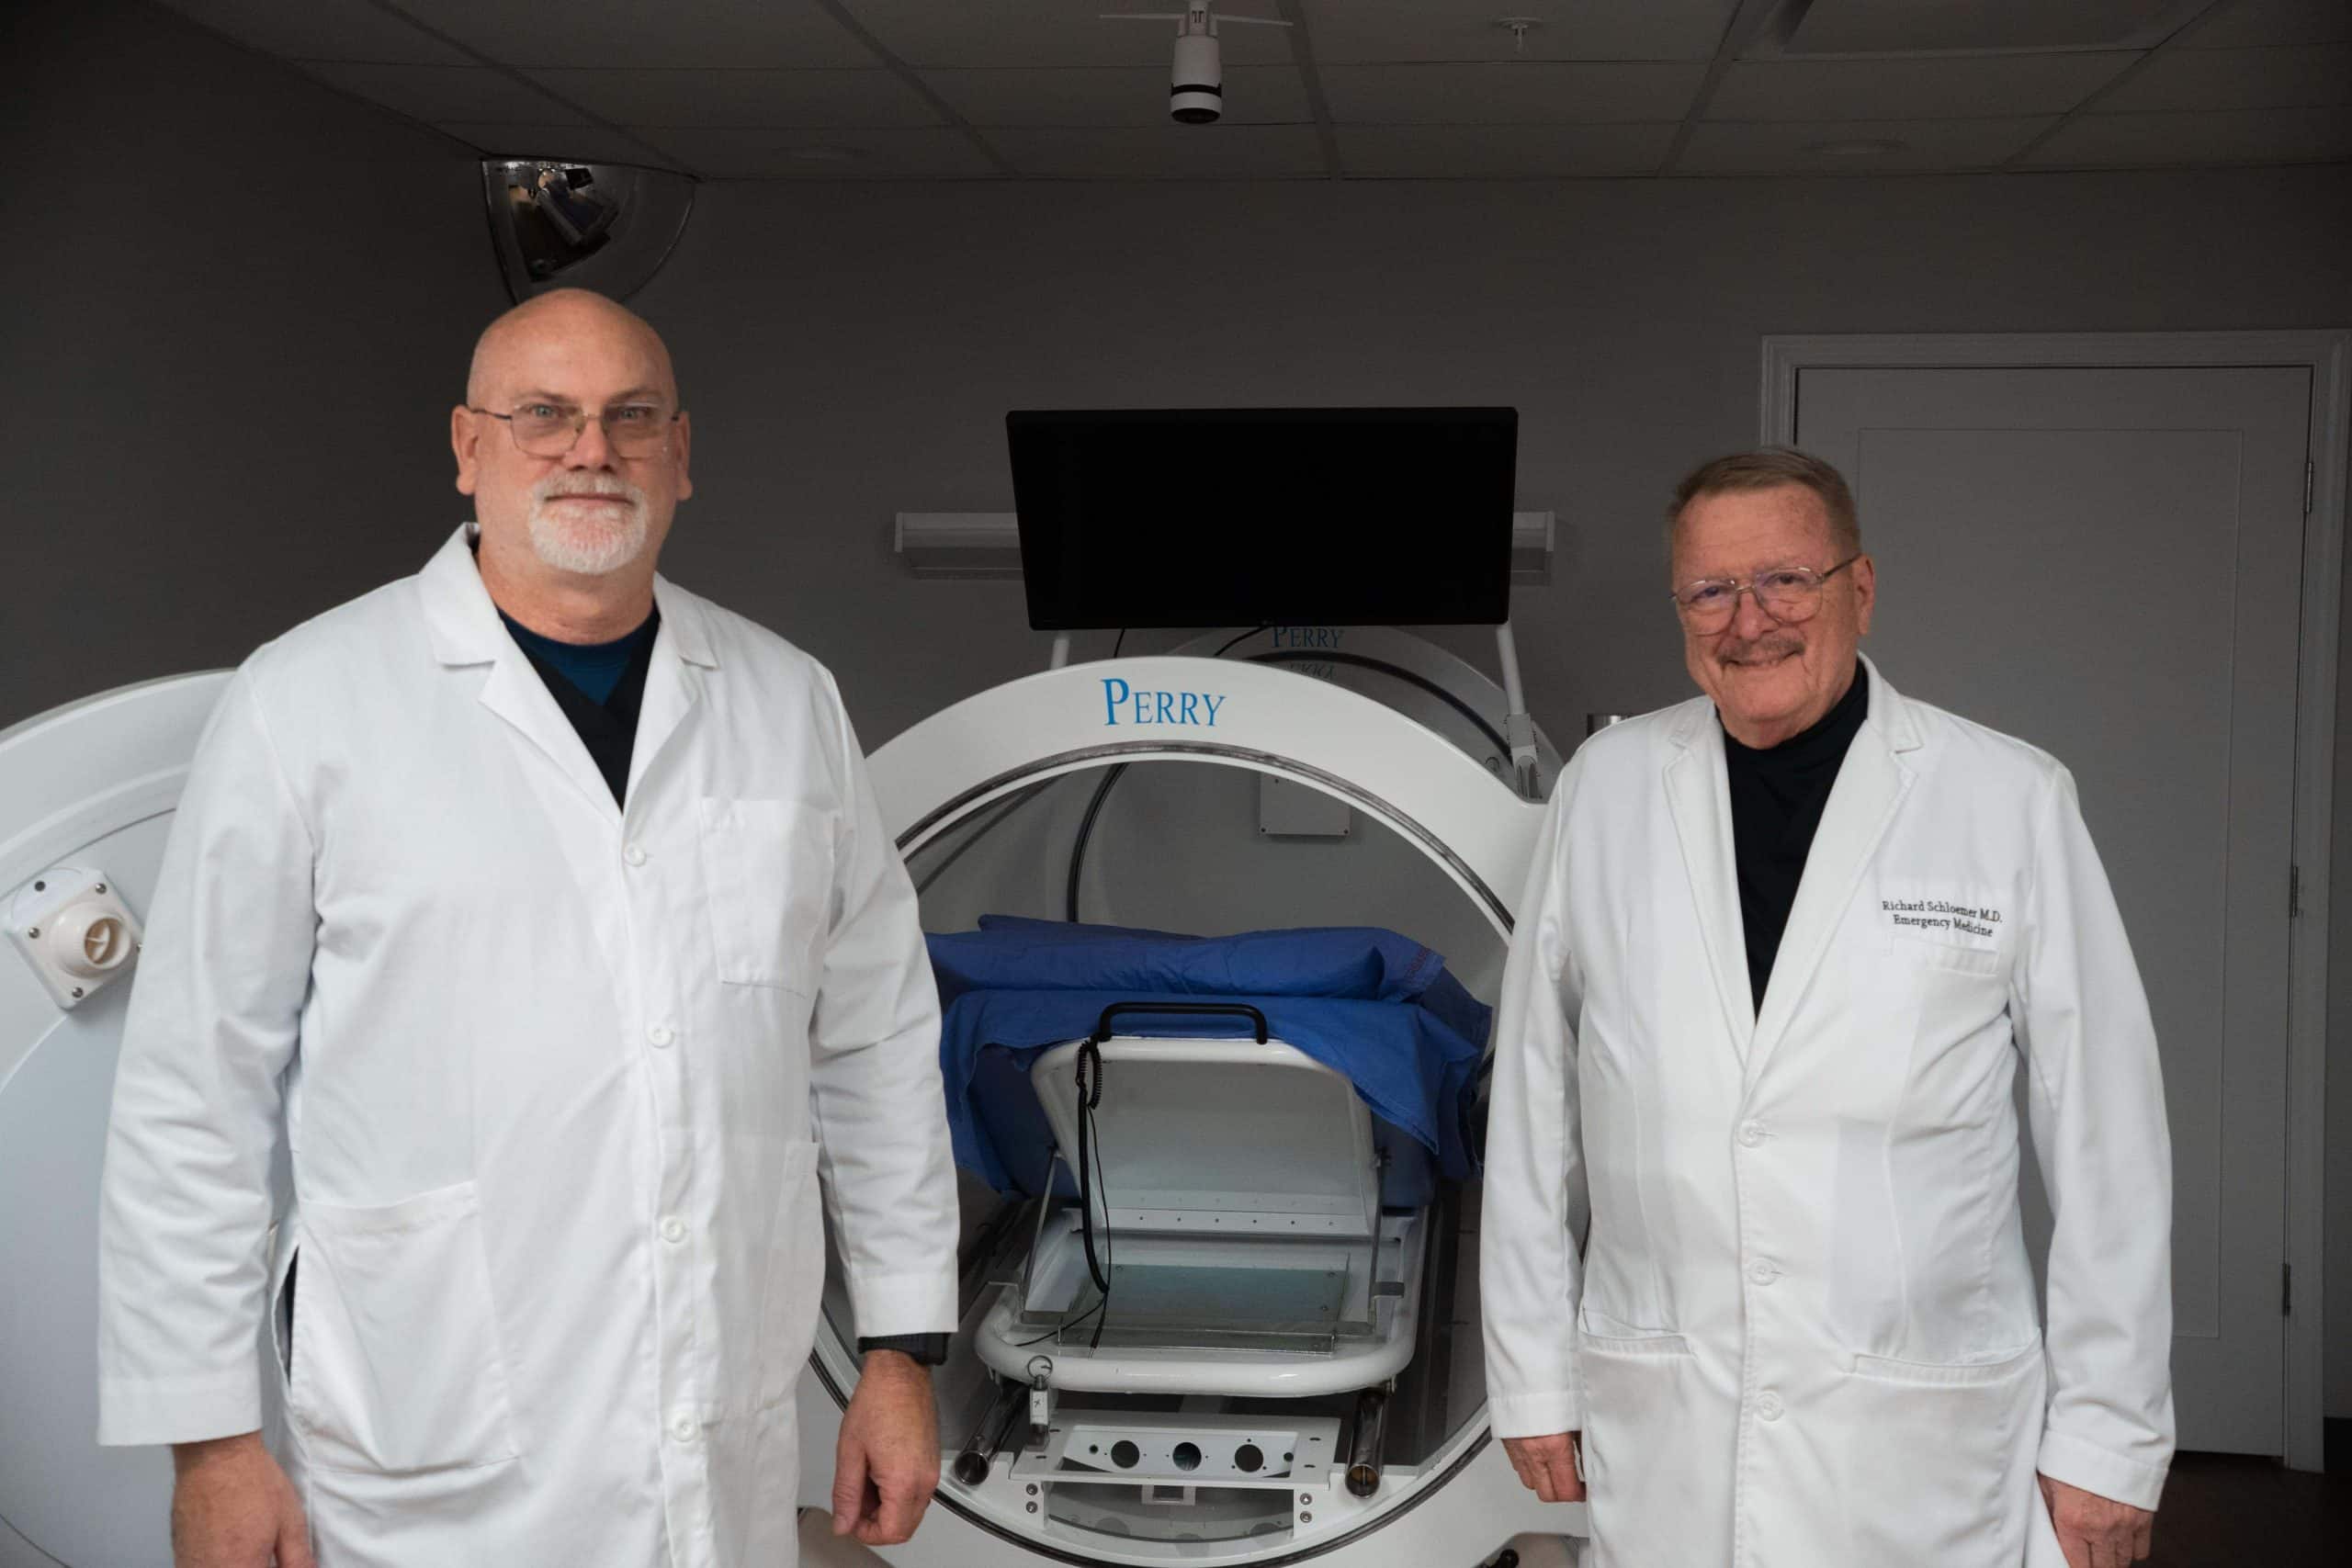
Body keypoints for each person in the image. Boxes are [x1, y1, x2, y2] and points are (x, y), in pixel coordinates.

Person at [96, 288, 957, 1568]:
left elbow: (878, 1040)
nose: (589, 449)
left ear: (681, 452)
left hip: (716, 1424)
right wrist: (210, 1441)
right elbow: (192, 1087)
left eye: (630, 416)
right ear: (468, 447)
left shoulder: (786, 699)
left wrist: (900, 1348)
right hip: (433, 1429)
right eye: (543, 415)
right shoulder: (311, 697)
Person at [1481, 448, 2173, 1567]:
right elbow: (1531, 1098)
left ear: (1859, 587)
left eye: (1784, 580)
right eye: (1710, 590)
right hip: (1670, 1415)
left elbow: (2107, 1139)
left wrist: (2110, 1440)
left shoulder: (2004, 800)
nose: (1747, 621)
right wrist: (1530, 1373)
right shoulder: (1604, 789)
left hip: (1915, 1438)